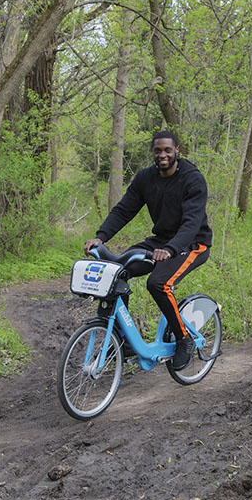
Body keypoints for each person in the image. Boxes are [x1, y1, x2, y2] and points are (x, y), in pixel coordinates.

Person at [84, 130, 213, 371]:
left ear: (177, 151)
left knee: (158, 283)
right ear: (153, 152)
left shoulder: (192, 179)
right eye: (158, 150)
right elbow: (124, 210)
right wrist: (100, 237)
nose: (162, 155)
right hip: (161, 241)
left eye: (167, 150)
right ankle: (124, 340)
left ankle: (183, 339)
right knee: (117, 273)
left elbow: (191, 223)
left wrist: (172, 249)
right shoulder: (146, 178)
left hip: (193, 243)